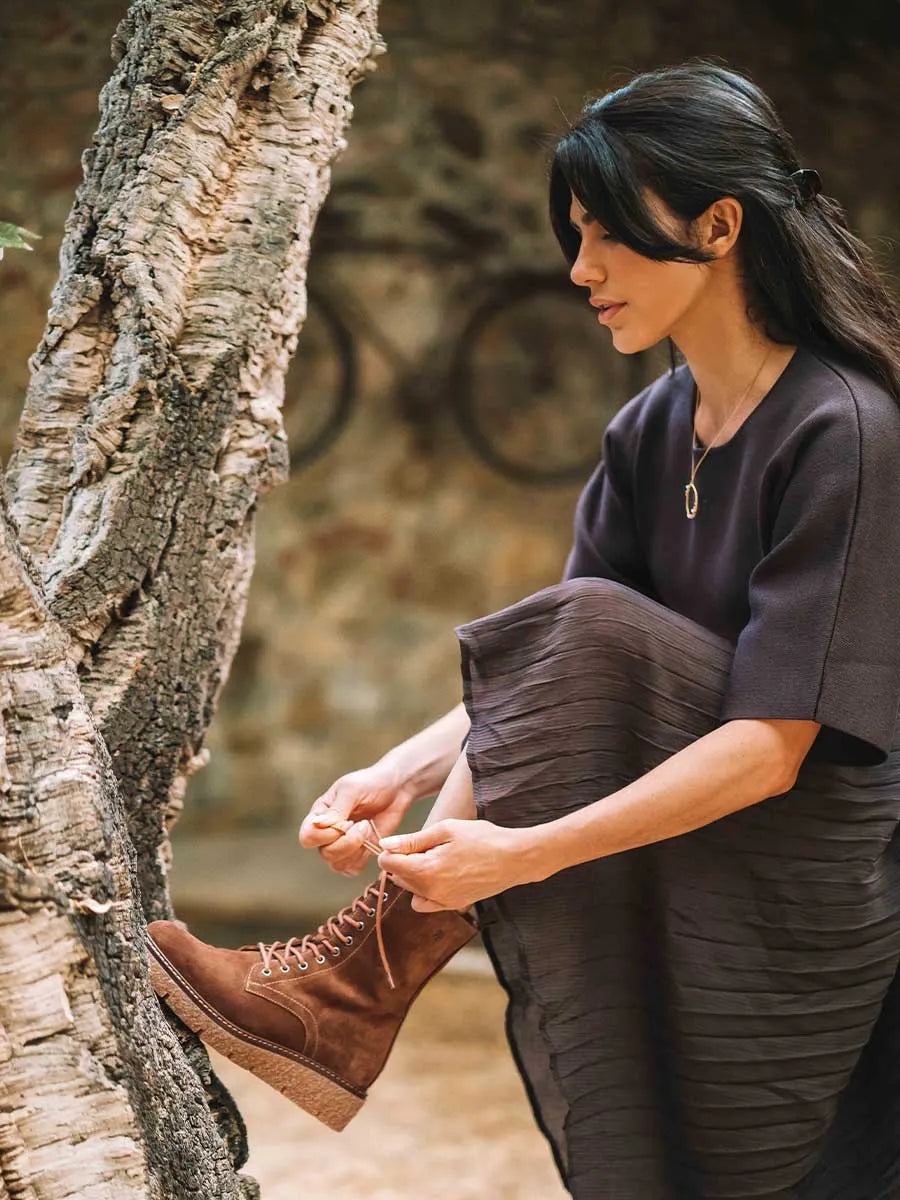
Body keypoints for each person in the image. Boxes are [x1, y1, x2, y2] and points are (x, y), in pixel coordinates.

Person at [146, 60, 900, 1198]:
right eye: (576, 234)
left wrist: (524, 853)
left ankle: (357, 984)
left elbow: (774, 744)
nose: (579, 269)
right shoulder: (652, 427)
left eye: (604, 236)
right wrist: (393, 772)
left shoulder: (845, 429)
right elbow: (557, 670)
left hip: (804, 867)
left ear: (721, 223)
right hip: (693, 835)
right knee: (585, 621)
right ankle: (355, 988)